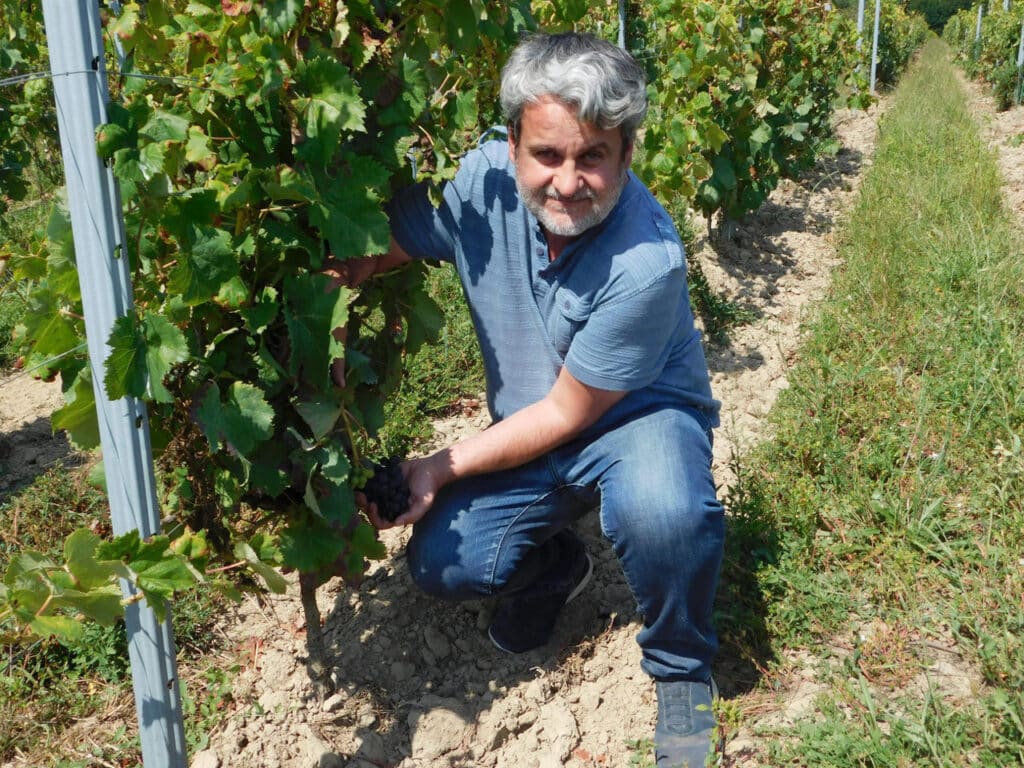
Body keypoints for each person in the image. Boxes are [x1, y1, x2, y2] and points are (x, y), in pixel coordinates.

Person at [336, 31, 725, 768]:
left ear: (626, 154)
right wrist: (324, 283)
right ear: (513, 143)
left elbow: (566, 414)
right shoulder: (479, 184)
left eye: (594, 157)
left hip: (634, 416)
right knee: (445, 566)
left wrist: (438, 466)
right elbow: (381, 245)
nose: (569, 182)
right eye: (548, 154)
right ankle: (557, 568)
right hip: (532, 421)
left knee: (665, 511)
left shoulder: (645, 262)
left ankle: (682, 670)